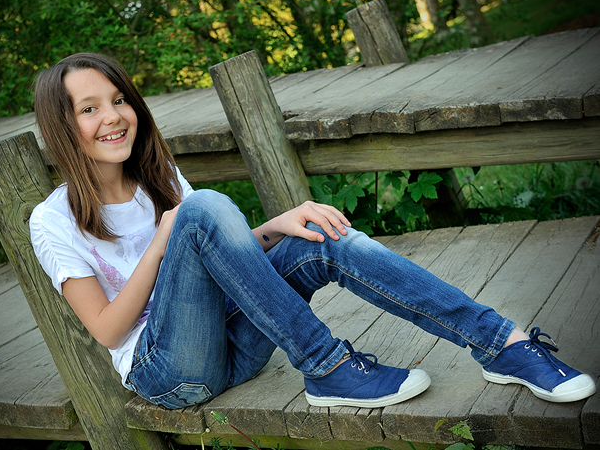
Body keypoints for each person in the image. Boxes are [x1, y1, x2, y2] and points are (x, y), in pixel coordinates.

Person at [30, 52, 595, 411]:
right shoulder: (52, 219)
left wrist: (275, 228)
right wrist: (162, 241)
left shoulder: (156, 177)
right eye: (89, 108)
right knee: (202, 208)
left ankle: (501, 344)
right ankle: (327, 368)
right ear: (62, 127)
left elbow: (216, 263)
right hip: (171, 375)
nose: (114, 116)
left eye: (120, 99)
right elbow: (105, 331)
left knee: (318, 236)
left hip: (236, 341)